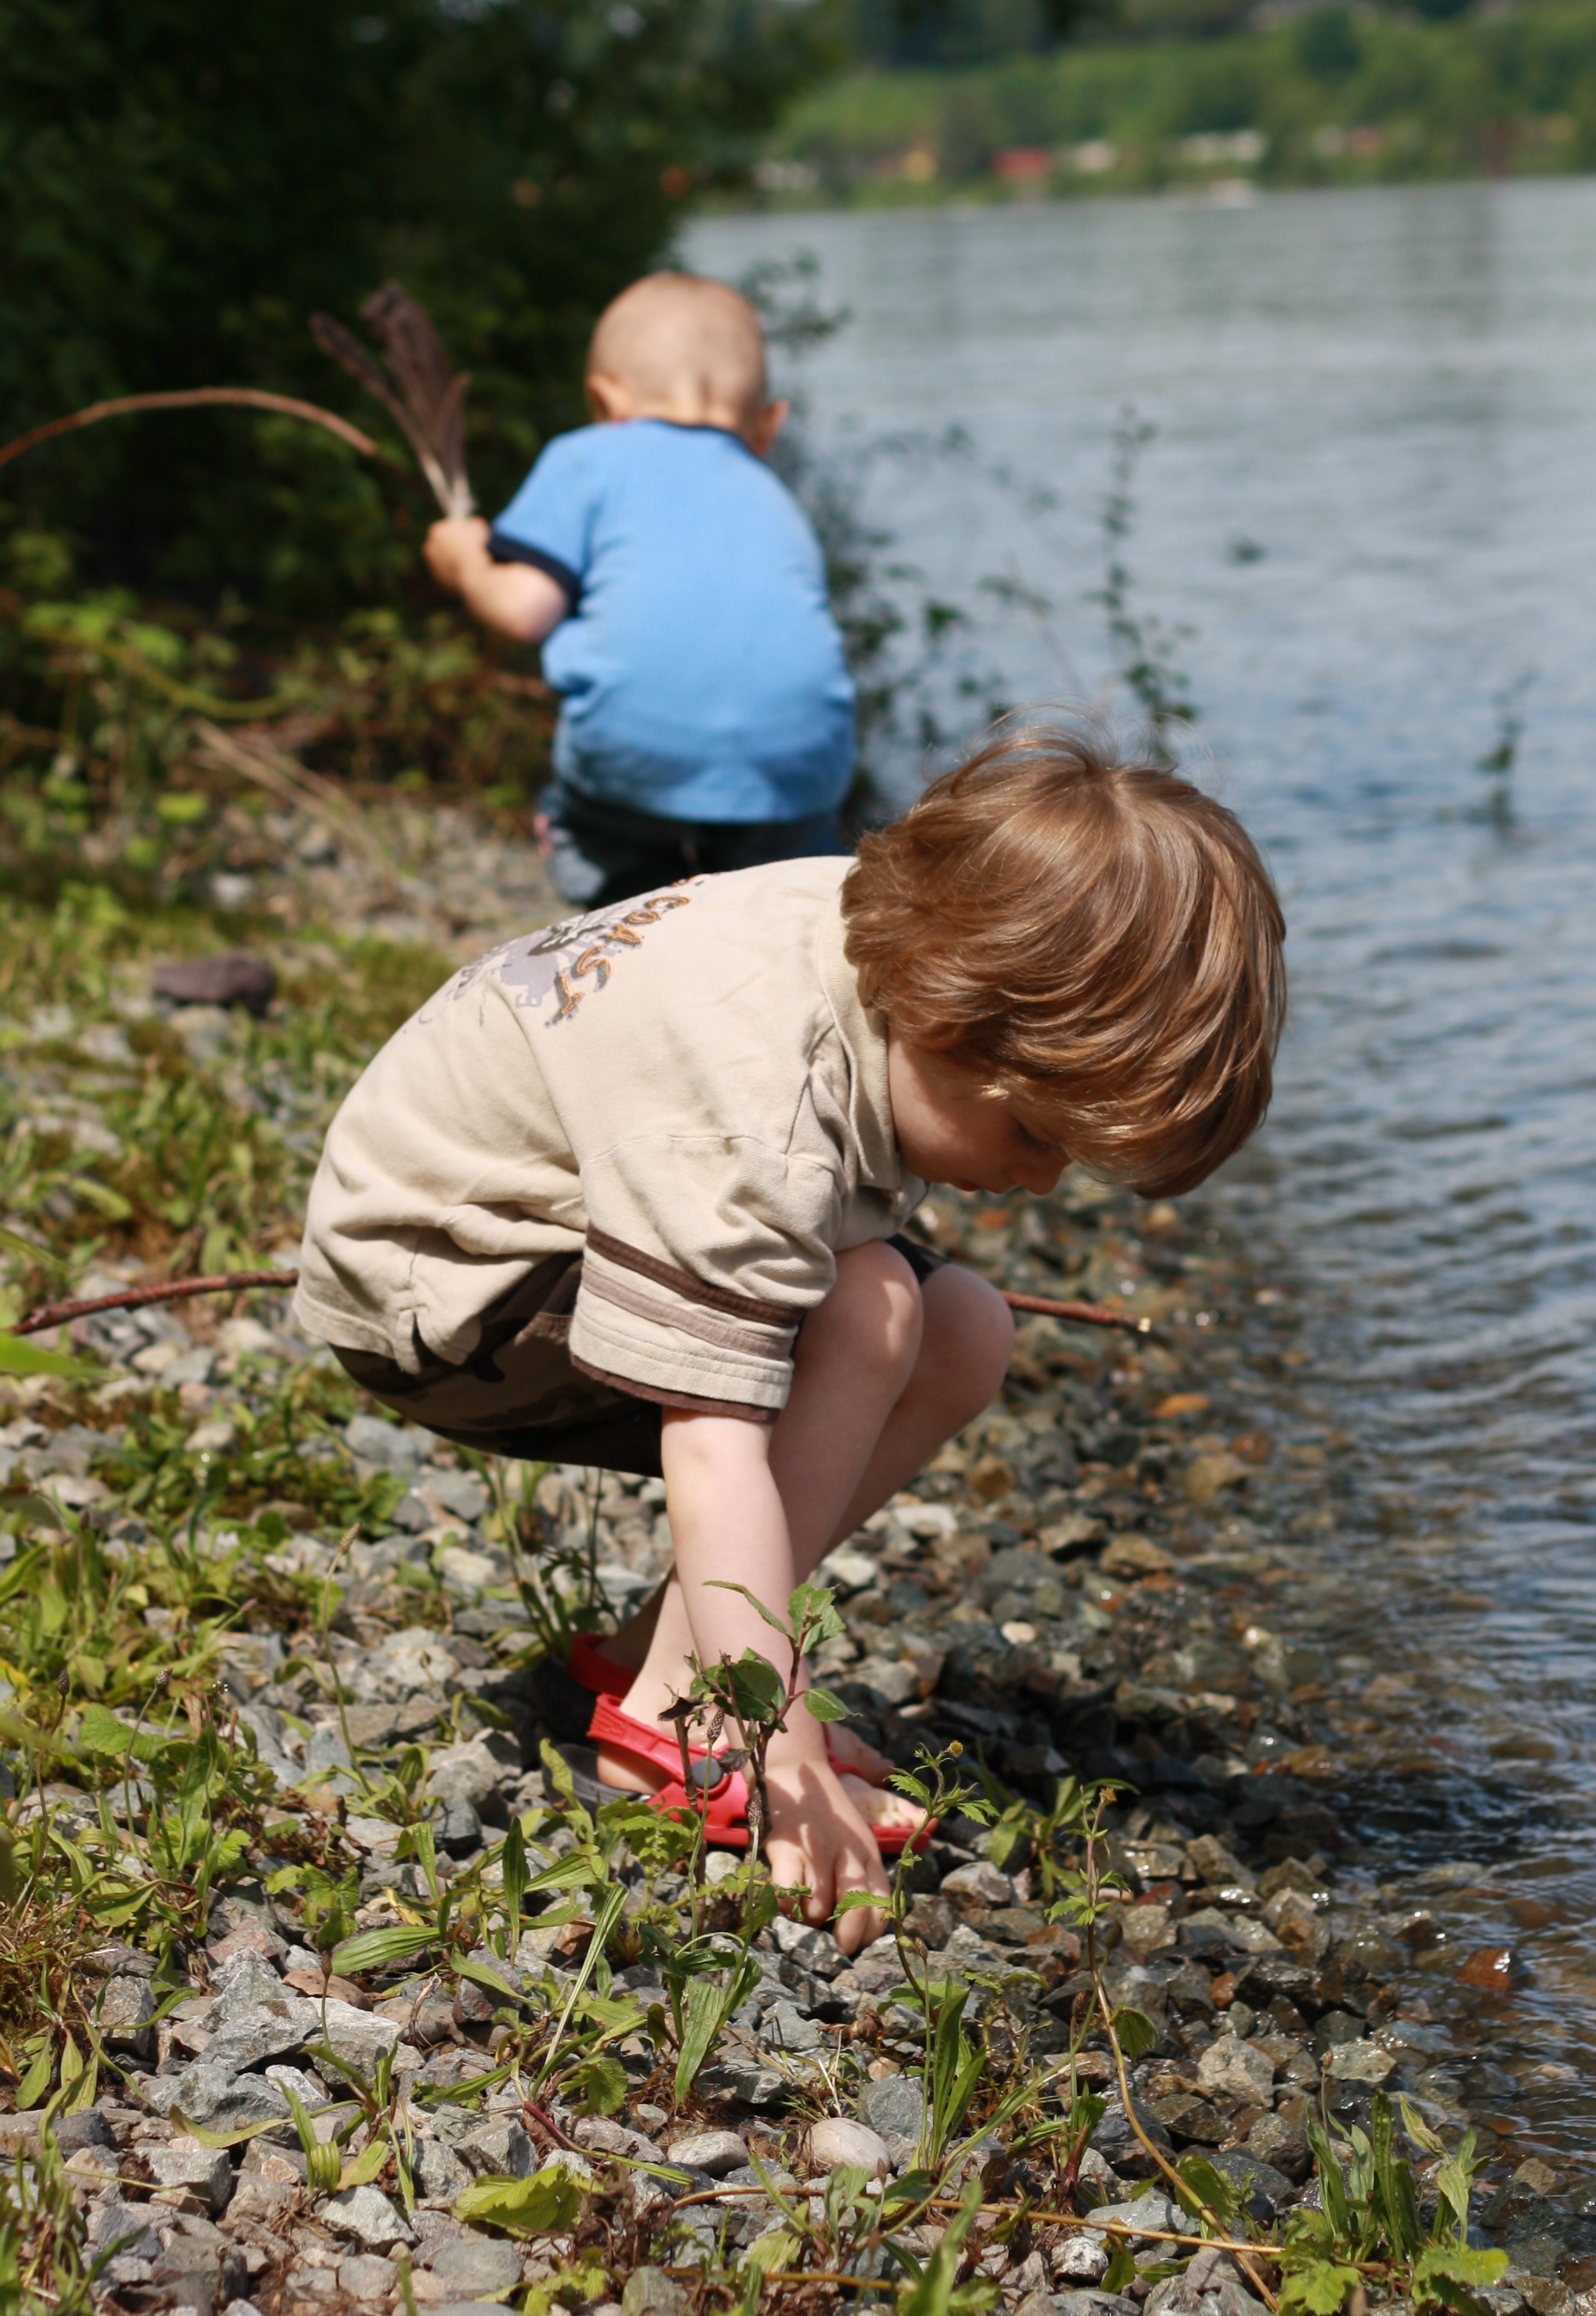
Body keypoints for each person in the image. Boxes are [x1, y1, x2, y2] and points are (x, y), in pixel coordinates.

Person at [295, 728, 1286, 1947]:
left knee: (964, 1325)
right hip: (441, 1287)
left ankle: (646, 1660)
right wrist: (788, 1736)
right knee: (874, 1308)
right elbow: (710, 1447)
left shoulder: (897, 936)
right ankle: (693, 1712)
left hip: (556, 1230)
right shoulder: (754, 1109)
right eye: (1037, 1136)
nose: (1042, 1183)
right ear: (954, 1019)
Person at [422, 271, 855, 909]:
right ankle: (776, 933)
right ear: (769, 426)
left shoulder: (587, 458)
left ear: (602, 404)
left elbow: (522, 610)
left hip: (635, 762)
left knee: (598, 834)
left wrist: (463, 560)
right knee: (777, 910)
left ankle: (628, 902)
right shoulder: (778, 500)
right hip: (801, 769)